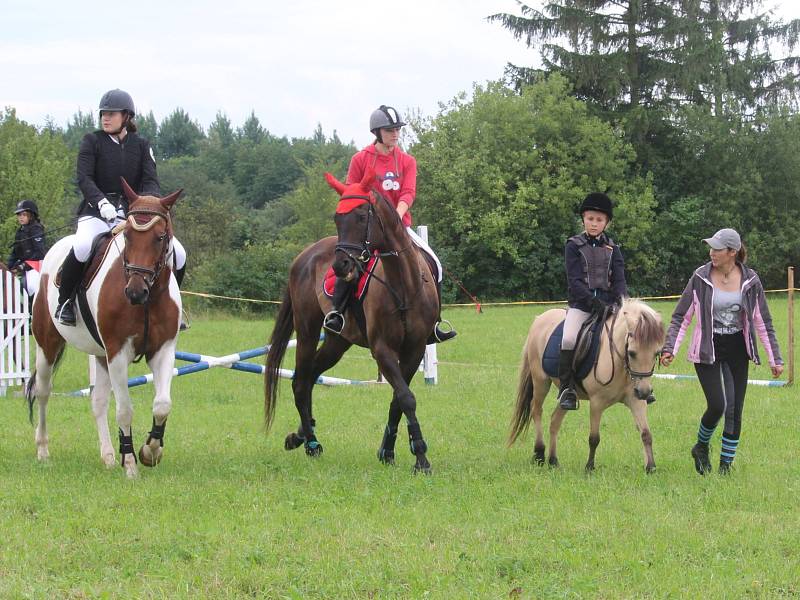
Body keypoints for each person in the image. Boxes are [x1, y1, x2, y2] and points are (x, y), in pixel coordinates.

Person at [323, 104, 456, 344]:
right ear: (377, 132)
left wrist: (395, 217)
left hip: (399, 228)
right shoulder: (360, 159)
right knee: (349, 264)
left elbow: (408, 192)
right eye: (389, 129)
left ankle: (434, 323)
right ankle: (337, 313)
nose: (395, 133)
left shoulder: (407, 161)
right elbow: (352, 194)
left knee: (434, 263)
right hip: (368, 230)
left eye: (397, 129)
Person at [55, 89, 187, 326]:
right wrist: (102, 202)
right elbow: (84, 178)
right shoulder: (92, 141)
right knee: (83, 246)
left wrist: (146, 205)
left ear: (126, 117)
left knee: (178, 252)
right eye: (103, 114)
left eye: (111, 114)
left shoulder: (142, 145)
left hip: (133, 215)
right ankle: (65, 301)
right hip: (96, 213)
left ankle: (172, 305)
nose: (105, 118)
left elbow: (150, 181)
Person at [661, 228, 783, 475]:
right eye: (711, 248)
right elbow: (681, 317)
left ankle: (725, 468)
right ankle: (701, 447)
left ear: (732, 252)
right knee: (718, 404)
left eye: (717, 249)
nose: (712, 253)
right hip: (708, 348)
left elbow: (762, 321)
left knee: (734, 410)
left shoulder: (751, 281)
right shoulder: (700, 277)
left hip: (738, 348)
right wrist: (670, 348)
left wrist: (775, 359)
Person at [557, 192, 628, 410]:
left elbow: (619, 279)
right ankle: (566, 389)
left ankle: (637, 384)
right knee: (568, 339)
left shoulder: (613, 248)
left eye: (599, 220)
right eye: (590, 219)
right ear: (583, 219)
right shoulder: (573, 245)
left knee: (631, 335)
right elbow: (575, 281)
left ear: (606, 222)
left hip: (609, 306)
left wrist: (621, 302)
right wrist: (592, 302)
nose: (594, 224)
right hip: (581, 306)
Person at [7, 199, 46, 298]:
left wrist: (23, 266)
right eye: (19, 215)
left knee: (32, 286)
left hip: (36, 266)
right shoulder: (20, 231)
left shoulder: (36, 229)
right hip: (24, 266)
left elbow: (40, 253)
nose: (21, 217)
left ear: (31, 215)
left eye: (24, 215)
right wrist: (9, 267)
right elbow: (15, 252)